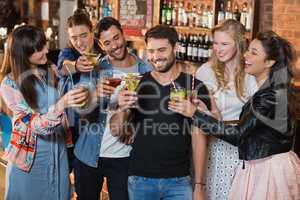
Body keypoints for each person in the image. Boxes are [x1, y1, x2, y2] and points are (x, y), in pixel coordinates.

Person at [190, 31, 300, 199]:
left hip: (268, 170)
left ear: (270, 62)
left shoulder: (270, 96)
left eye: (253, 52)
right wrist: (204, 113)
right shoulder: (270, 91)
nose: (245, 56)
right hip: (261, 166)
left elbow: (238, 134)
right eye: (248, 50)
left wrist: (193, 114)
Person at [110, 25, 212, 200]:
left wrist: (200, 185)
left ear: (176, 47)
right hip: (140, 178)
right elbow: (116, 131)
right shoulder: (137, 84)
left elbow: (200, 139)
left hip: (179, 181)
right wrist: (122, 107)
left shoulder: (195, 86)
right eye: (151, 51)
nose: (156, 57)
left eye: (162, 50)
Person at [0, 25, 88, 200]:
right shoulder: (9, 85)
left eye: (44, 45)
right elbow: (34, 126)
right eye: (39, 48)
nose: (47, 50)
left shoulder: (46, 68)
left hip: (58, 155)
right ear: (23, 53)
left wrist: (76, 65)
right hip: (31, 161)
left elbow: (63, 69)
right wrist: (61, 104)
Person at [73, 17, 151, 200]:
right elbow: (80, 110)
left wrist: (136, 127)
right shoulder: (95, 68)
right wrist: (95, 96)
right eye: (107, 42)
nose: (115, 45)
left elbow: (151, 112)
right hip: (89, 154)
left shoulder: (145, 69)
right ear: (100, 44)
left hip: (125, 157)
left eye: (116, 38)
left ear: (123, 34)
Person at [195, 19, 257, 200]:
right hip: (208, 146)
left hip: (238, 146)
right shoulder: (205, 71)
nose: (218, 49)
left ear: (238, 44)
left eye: (224, 44)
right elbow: (197, 114)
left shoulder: (250, 74)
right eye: (215, 43)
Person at [56, 8, 104, 175]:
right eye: (73, 37)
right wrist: (76, 65)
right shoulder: (69, 53)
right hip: (73, 127)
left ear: (92, 32)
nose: (79, 42)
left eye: (83, 35)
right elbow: (62, 68)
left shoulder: (103, 53)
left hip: (98, 126)